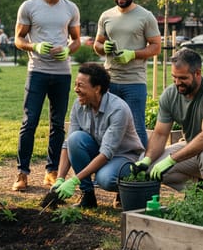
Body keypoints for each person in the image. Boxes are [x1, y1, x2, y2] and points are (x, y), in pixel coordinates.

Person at [12, 0, 80, 191]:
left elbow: (76, 40)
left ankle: (51, 171)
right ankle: (22, 173)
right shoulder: (29, 6)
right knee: (29, 123)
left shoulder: (71, 8)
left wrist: (68, 49)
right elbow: (18, 39)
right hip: (37, 71)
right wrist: (35, 47)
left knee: (58, 124)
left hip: (62, 73)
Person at [134, 48, 203, 191]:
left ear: (197, 73)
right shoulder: (170, 94)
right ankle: (195, 192)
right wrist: (147, 160)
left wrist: (171, 159)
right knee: (151, 168)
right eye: (174, 77)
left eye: (183, 78)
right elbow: (160, 134)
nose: (177, 82)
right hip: (193, 146)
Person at [52, 63, 144, 208]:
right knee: (75, 139)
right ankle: (88, 197)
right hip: (99, 152)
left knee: (105, 178)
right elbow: (67, 143)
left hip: (125, 157)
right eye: (75, 85)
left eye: (81, 86)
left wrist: (75, 180)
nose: (76, 89)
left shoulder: (118, 109)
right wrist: (60, 179)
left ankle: (129, 188)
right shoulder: (79, 105)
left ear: (97, 88)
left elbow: (107, 153)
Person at [93, 0, 161, 147]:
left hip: (134, 82)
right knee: (108, 127)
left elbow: (156, 47)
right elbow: (97, 45)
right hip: (109, 81)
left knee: (137, 128)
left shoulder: (145, 16)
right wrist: (104, 47)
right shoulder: (106, 16)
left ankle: (141, 169)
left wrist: (133, 54)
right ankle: (111, 167)